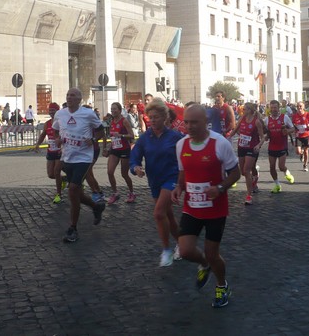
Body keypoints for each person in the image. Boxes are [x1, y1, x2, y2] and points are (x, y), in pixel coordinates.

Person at [172, 104, 241, 308]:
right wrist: (179, 187)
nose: (189, 126)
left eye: (194, 122)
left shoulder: (220, 143)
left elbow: (235, 174)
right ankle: (203, 265)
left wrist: (220, 188)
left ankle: (222, 285)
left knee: (213, 254)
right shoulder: (181, 145)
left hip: (215, 209)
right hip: (191, 207)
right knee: (185, 251)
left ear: (205, 122)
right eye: (186, 122)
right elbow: (183, 171)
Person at [130, 98, 184, 267]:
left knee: (158, 213)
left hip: (171, 179)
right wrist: (136, 168)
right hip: (154, 180)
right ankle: (181, 243)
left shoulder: (175, 137)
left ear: (164, 118)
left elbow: (187, 155)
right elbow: (135, 158)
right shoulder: (145, 138)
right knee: (168, 216)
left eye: (156, 117)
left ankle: (166, 249)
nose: (152, 120)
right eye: (150, 117)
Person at [53, 88, 106, 243]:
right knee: (76, 193)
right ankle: (96, 207)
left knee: (73, 189)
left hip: (84, 157)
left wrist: (94, 140)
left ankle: (73, 228)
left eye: (73, 95)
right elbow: (56, 130)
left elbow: (101, 131)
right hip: (67, 157)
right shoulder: (60, 114)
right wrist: (58, 139)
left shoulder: (88, 114)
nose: (69, 97)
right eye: (68, 95)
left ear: (79, 99)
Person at [227, 102, 265, 205]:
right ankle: (254, 176)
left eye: (246, 109)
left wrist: (258, 145)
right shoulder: (242, 118)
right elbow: (235, 130)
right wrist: (227, 138)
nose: (243, 110)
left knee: (246, 170)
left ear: (251, 110)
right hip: (241, 147)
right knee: (243, 172)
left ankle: (249, 195)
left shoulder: (257, 121)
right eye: (244, 109)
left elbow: (263, 137)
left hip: (252, 148)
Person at [103, 102, 136, 204]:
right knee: (109, 172)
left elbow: (132, 136)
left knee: (124, 174)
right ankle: (115, 193)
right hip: (114, 150)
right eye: (111, 109)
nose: (113, 111)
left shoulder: (124, 121)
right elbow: (112, 138)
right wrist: (108, 148)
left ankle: (131, 192)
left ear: (120, 110)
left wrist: (121, 135)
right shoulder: (112, 121)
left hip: (124, 150)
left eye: (115, 109)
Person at [34, 102, 65, 204]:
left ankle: (59, 194)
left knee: (56, 172)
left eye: (54, 110)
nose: (51, 112)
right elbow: (43, 134)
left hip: (60, 151)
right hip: (50, 150)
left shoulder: (62, 122)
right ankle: (65, 179)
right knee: (51, 174)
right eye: (50, 110)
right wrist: (38, 144)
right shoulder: (47, 123)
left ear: (58, 111)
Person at [264, 99, 295, 193]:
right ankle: (277, 185)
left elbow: (293, 128)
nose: (273, 109)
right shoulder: (266, 119)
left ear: (279, 108)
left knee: (281, 166)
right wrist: (265, 137)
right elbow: (265, 132)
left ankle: (287, 172)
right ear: (270, 108)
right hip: (272, 146)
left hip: (282, 146)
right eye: (272, 108)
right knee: (272, 167)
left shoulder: (284, 117)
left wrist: (287, 131)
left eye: (275, 108)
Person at [292, 101, 309, 172]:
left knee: (306, 150)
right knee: (298, 151)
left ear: (304, 107)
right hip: (298, 135)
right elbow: (293, 124)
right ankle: (301, 154)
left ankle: (305, 165)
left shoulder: (308, 114)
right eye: (298, 106)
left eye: (300, 106)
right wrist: (294, 128)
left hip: (306, 135)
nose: (299, 108)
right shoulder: (294, 116)